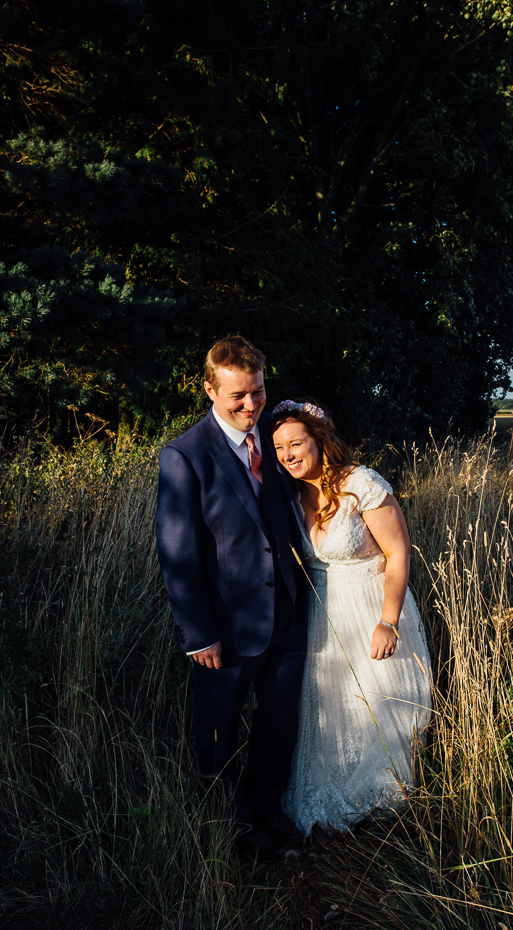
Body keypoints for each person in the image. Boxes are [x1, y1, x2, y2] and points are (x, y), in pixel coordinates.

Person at [156, 338, 307, 859]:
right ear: (210, 390)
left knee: (278, 723)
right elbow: (178, 555)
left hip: (286, 620)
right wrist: (199, 634)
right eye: (238, 396)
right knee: (217, 734)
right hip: (225, 629)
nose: (250, 405)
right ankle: (234, 829)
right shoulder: (184, 456)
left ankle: (267, 808)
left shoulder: (275, 435)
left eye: (259, 392)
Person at [270, 400, 432, 836]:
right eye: (280, 447)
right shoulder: (291, 494)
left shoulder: (362, 484)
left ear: (319, 442)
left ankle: (383, 805)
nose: (288, 455)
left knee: (380, 702)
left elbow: (398, 553)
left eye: (297, 444)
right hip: (324, 615)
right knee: (333, 706)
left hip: (372, 608)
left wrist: (389, 620)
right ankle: (336, 799)